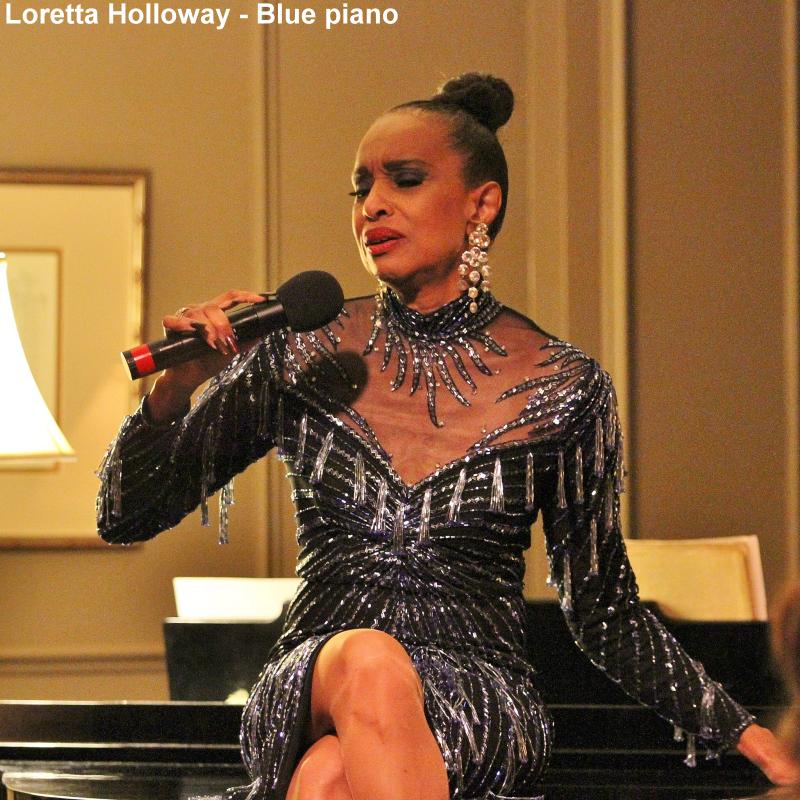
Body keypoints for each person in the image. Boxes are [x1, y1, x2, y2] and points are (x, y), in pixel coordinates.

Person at [97, 73, 796, 800]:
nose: (372, 205)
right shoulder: (304, 351)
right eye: (361, 188)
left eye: (404, 180)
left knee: (329, 779)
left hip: (478, 701)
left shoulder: (564, 384)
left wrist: (754, 739)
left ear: (480, 205)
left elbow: (605, 611)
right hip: (318, 675)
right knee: (368, 663)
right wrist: (176, 387)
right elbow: (124, 516)